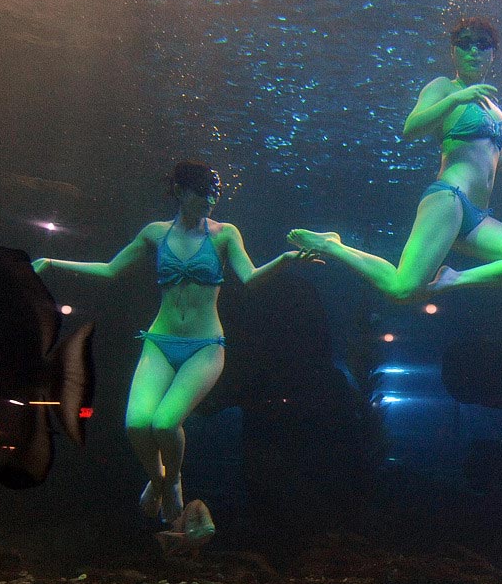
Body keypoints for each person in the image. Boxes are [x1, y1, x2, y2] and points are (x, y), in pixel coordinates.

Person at [33, 161, 318, 523]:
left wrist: (284, 260)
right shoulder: (155, 234)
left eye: (215, 193)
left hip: (205, 346)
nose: (211, 200)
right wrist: (52, 262)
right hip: (159, 342)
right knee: (137, 424)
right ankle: (162, 479)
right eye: (204, 193)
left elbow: (250, 279)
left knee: (165, 424)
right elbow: (110, 270)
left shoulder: (225, 234)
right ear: (182, 192)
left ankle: (171, 484)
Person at [287, 16, 502, 301]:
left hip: (477, 218)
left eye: (482, 45)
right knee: (403, 288)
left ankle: (451, 280)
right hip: (449, 198)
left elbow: (495, 159)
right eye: (465, 44)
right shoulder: (443, 87)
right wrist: (455, 100)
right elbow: (410, 128)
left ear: (493, 54)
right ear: (453, 52)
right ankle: (333, 246)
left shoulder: (494, 106)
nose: (473, 51)